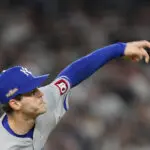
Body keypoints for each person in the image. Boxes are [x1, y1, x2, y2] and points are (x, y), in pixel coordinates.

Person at [0, 41, 149, 150]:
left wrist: (119, 49)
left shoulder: (46, 98)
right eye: (32, 92)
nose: (40, 93)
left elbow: (74, 73)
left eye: (37, 88)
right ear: (15, 104)